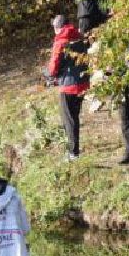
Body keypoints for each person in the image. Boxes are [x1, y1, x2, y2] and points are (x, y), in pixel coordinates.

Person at [45, 15, 90, 159]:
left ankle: (73, 152)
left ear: (57, 28)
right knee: (75, 117)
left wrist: (49, 75)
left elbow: (53, 68)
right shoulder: (80, 38)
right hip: (82, 83)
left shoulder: (60, 42)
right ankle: (74, 148)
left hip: (68, 86)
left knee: (69, 120)